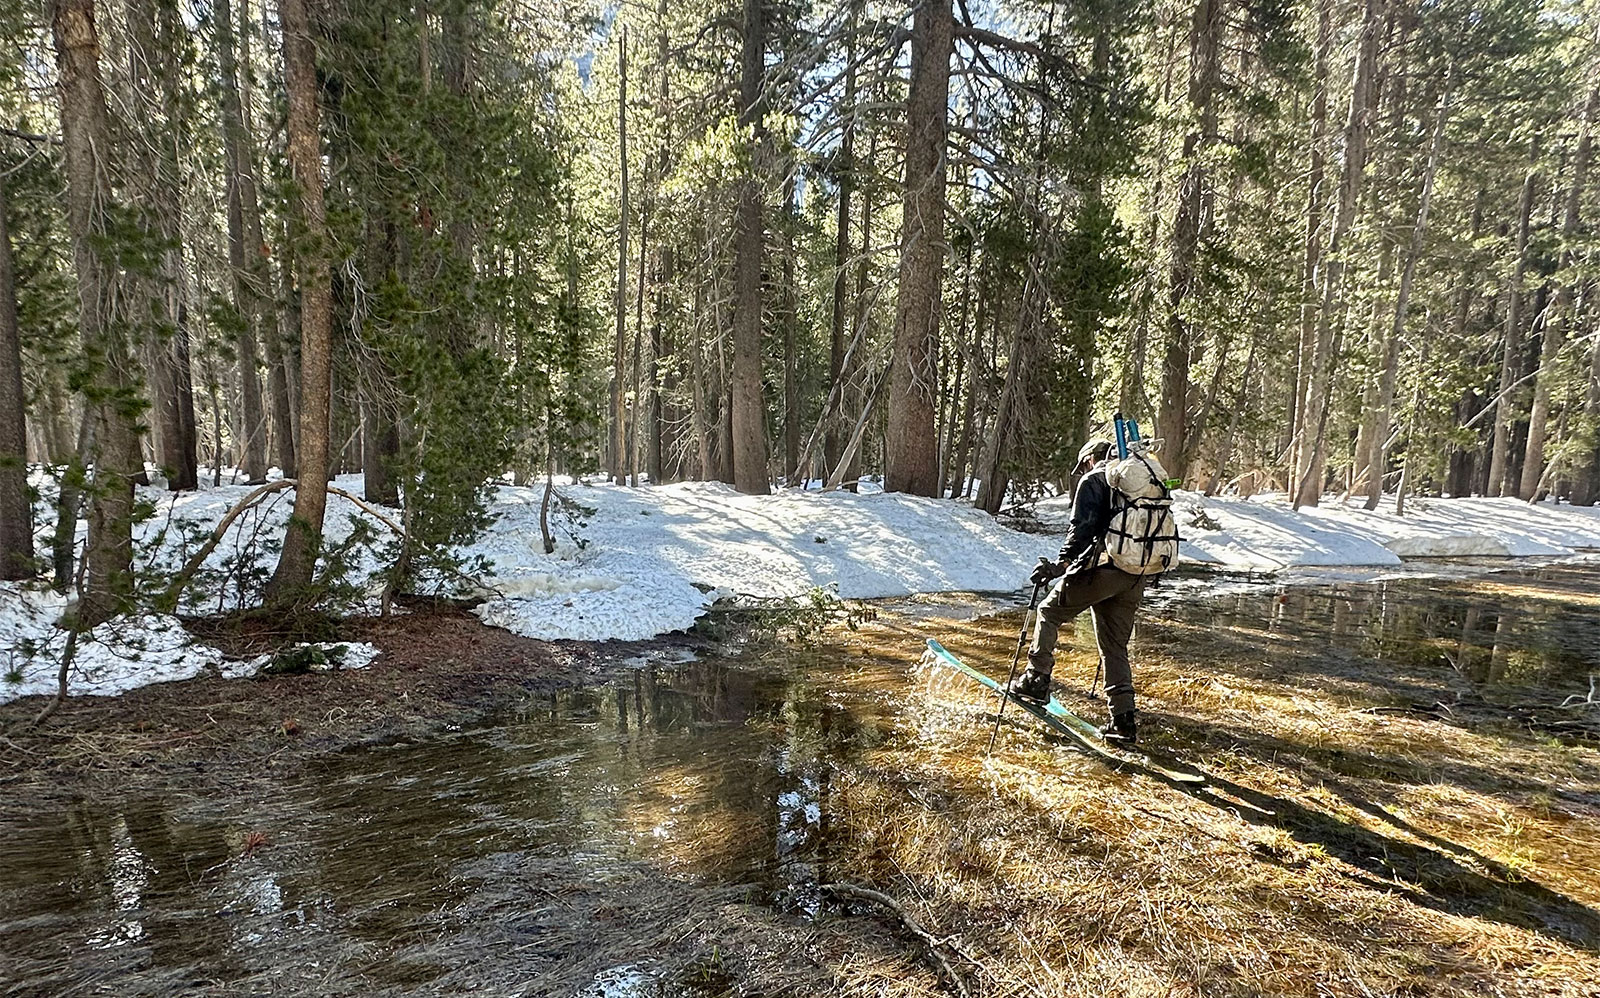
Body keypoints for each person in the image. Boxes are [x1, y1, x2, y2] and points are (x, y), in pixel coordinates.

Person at [1009, 437, 1146, 744]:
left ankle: (1036, 679)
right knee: (1114, 647)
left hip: (1102, 571)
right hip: (1136, 574)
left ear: (1088, 459)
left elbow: (1081, 530)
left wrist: (1060, 566)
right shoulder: (1140, 482)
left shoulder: (1093, 479)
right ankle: (1123, 720)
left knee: (1048, 612)